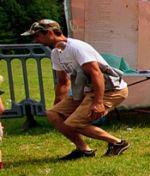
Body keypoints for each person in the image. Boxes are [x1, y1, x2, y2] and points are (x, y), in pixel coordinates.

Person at [23, 19, 130, 159]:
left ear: (49, 33)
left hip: (111, 90)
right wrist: (58, 104)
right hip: (89, 91)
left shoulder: (76, 48)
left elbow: (96, 73)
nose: (35, 40)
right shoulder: (56, 53)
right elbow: (62, 82)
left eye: (36, 36)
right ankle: (83, 150)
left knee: (75, 122)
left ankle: (118, 143)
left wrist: (98, 103)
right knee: (53, 114)